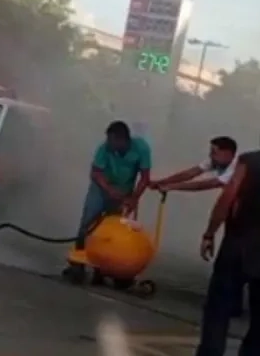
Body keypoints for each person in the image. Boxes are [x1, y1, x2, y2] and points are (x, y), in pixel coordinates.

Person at [150, 136, 246, 317]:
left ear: (228, 154)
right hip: (237, 213)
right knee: (235, 262)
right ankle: (232, 305)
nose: (211, 156)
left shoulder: (236, 166)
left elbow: (206, 184)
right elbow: (192, 172)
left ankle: (226, 306)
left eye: (215, 153)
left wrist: (173, 187)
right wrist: (163, 182)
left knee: (232, 261)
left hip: (246, 216)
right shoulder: (218, 162)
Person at [195, 151, 260, 356]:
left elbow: (229, 195)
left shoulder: (250, 161)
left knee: (218, 308)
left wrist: (210, 233)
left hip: (238, 243)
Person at [69, 121, 151, 283]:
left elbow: (145, 177)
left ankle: (101, 269)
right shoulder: (104, 148)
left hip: (124, 191)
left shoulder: (141, 148)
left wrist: (134, 198)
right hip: (101, 189)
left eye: (112, 140)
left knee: (110, 230)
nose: (108, 143)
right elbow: (96, 172)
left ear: (122, 140)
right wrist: (109, 190)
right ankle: (77, 264)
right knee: (88, 223)